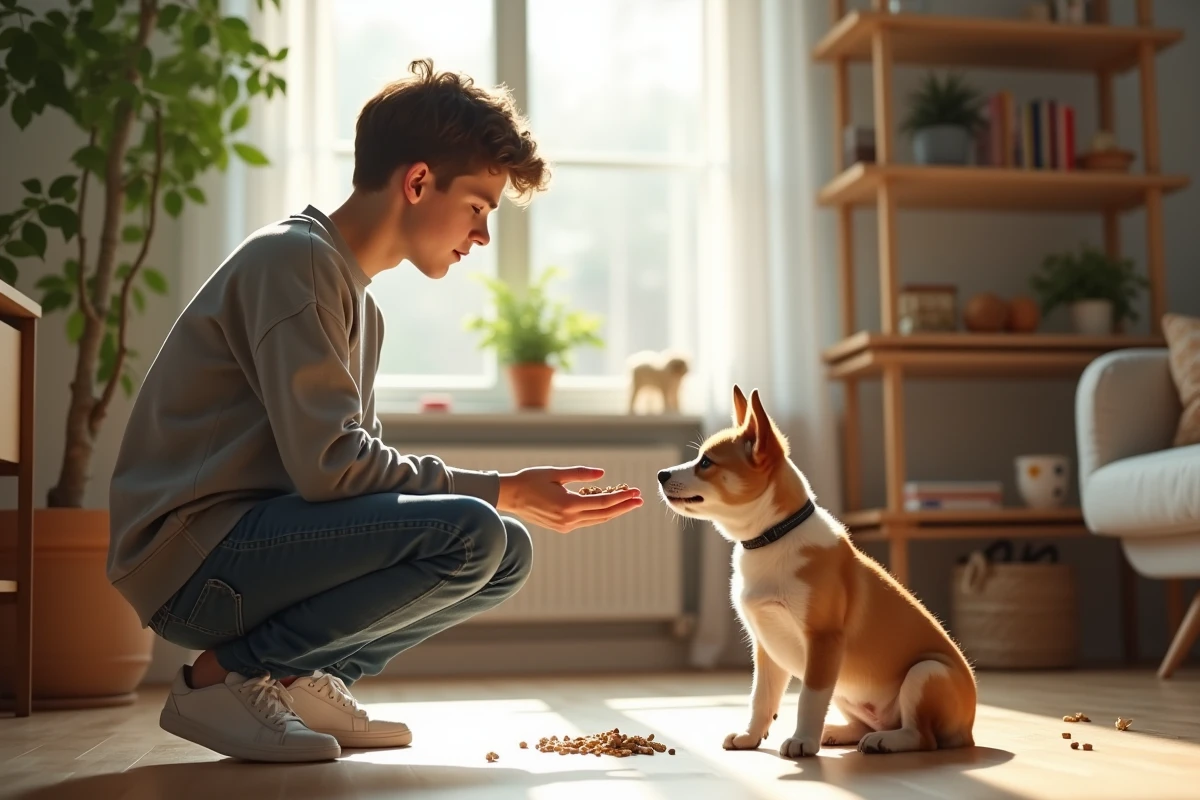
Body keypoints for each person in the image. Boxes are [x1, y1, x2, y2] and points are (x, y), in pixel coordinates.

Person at [106, 58, 643, 764]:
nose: (483, 237)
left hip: (247, 546)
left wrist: (502, 502)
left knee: (506, 552)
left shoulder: (360, 303)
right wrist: (503, 489)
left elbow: (357, 481)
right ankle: (222, 679)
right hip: (192, 561)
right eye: (479, 207)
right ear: (417, 182)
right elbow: (334, 469)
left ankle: (293, 679)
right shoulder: (293, 262)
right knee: (477, 532)